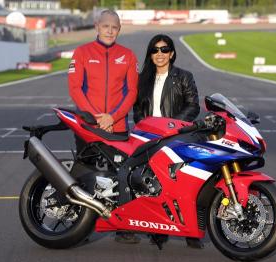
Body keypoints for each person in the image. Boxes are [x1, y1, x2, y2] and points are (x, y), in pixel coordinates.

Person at [68, 9, 140, 244]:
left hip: (118, 126)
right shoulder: (81, 52)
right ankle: (81, 228)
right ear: (97, 26)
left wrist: (113, 117)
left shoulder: (128, 55)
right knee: (84, 175)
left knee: (121, 176)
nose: (110, 31)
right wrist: (96, 118)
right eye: (106, 26)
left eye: (115, 27)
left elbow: (132, 91)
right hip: (88, 125)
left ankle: (123, 227)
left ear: (119, 29)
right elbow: (75, 88)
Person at [133, 34, 203, 249]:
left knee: (185, 184)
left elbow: (193, 106)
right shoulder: (142, 78)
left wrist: (172, 126)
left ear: (172, 53)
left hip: (176, 137)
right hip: (149, 138)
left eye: (164, 50)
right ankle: (158, 229)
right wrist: (145, 126)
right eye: (155, 50)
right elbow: (136, 109)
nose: (160, 54)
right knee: (154, 185)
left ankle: (192, 232)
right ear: (150, 54)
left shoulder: (184, 76)